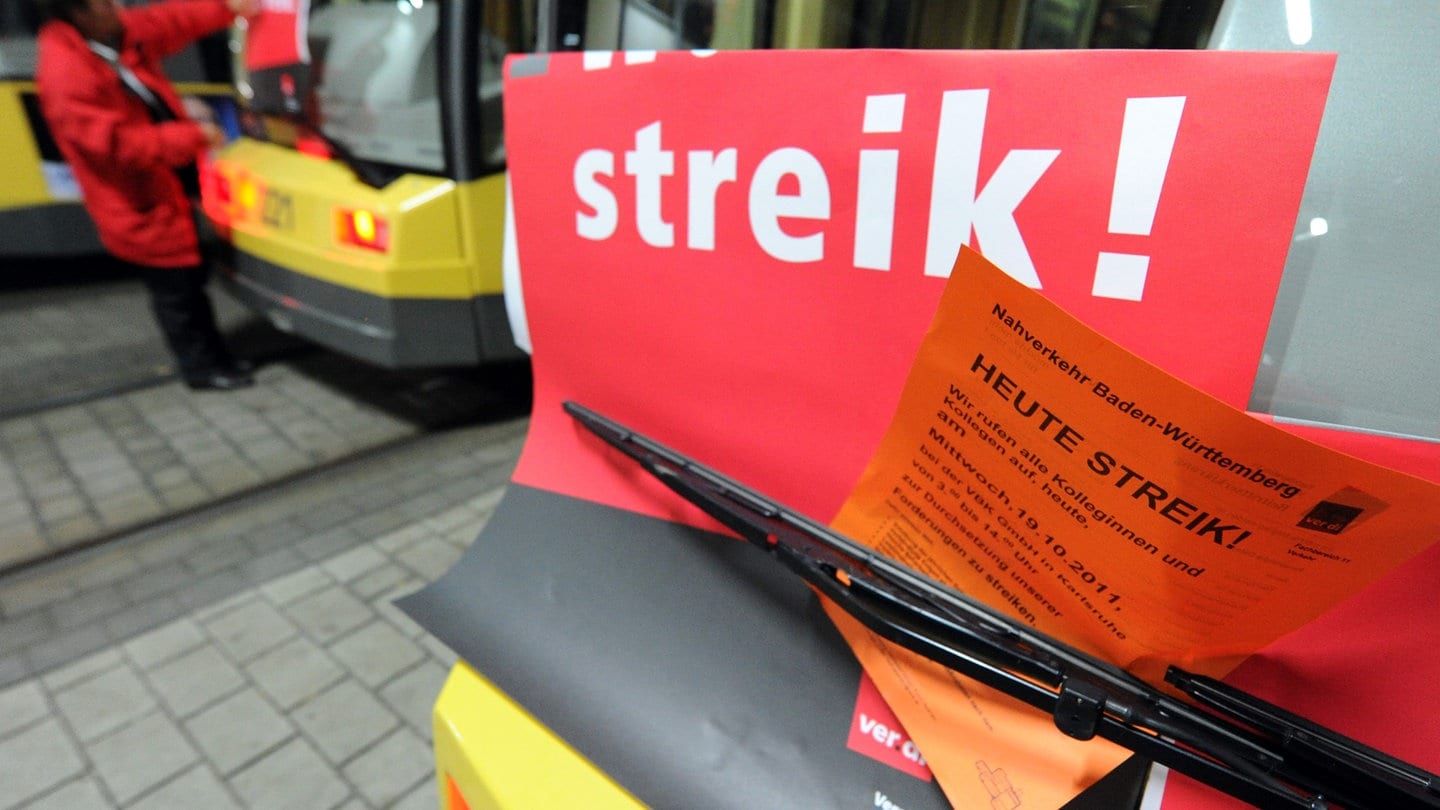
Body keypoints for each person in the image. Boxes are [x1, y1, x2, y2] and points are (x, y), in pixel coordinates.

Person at [34, 0, 262, 390]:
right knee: (177, 292)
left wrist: (226, 7)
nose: (119, 6)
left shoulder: (107, 34)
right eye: (106, 3)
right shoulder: (66, 71)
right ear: (79, 14)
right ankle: (202, 368)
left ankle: (215, 356)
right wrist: (192, 136)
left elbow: (166, 22)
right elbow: (116, 147)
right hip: (138, 201)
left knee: (190, 277)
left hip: (166, 182)